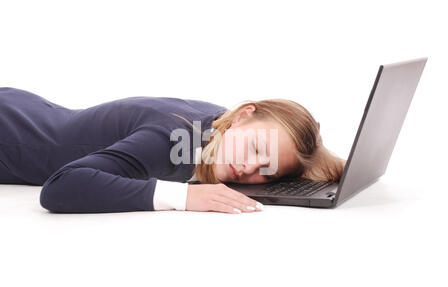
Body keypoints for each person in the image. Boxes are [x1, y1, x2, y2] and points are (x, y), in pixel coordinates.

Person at [0, 87, 346, 214]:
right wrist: (184, 198)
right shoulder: (172, 140)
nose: (248, 167)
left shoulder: (217, 124)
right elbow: (61, 187)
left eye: (266, 170)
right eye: (256, 147)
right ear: (243, 115)